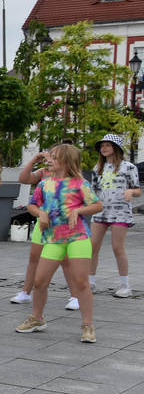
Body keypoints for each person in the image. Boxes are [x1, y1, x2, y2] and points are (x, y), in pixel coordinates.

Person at [17, 144, 102, 343]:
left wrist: (78, 211)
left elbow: (98, 205)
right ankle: (37, 318)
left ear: (65, 161)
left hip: (77, 238)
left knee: (81, 282)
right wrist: (40, 213)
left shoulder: (80, 183)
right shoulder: (44, 183)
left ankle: (88, 325)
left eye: (54, 157)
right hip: (53, 239)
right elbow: (31, 205)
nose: (49, 160)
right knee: (40, 281)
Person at [9, 147, 77, 310]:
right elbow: (24, 178)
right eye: (50, 156)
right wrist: (33, 161)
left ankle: (75, 295)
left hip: (62, 225)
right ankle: (26, 292)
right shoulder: (44, 173)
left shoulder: (72, 177)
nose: (50, 159)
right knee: (34, 258)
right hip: (43, 222)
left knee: (65, 260)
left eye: (54, 157)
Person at [89, 134, 141, 298]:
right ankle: (89, 283)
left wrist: (130, 191)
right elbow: (93, 191)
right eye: (102, 146)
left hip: (120, 212)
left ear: (116, 148)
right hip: (100, 211)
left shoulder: (129, 167)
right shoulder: (97, 168)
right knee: (92, 247)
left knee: (117, 247)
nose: (104, 148)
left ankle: (125, 286)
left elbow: (138, 190)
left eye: (107, 145)